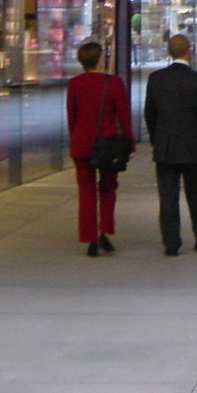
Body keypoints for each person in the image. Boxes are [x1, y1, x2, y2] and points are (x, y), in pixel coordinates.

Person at [145, 34, 197, 255]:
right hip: (192, 146)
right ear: (189, 50)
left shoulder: (156, 79)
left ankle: (171, 243)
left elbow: (150, 113)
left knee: (167, 195)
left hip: (165, 146)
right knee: (196, 192)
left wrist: (155, 139)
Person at [65, 40, 133, 257]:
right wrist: (129, 143)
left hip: (81, 143)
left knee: (85, 191)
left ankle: (89, 238)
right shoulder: (113, 83)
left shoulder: (74, 84)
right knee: (108, 188)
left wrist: (74, 139)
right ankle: (105, 230)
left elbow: (72, 116)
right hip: (108, 142)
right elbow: (123, 116)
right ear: (101, 59)